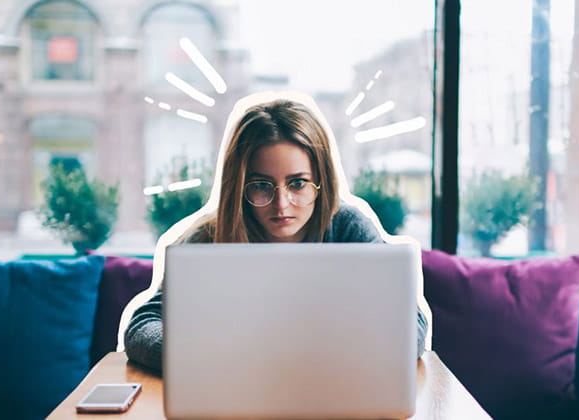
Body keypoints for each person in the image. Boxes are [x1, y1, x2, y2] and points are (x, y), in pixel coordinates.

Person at [125, 94, 429, 371]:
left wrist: (349, 354)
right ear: (239, 186)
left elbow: (411, 319)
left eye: (298, 183)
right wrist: (209, 356)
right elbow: (143, 325)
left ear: (321, 181)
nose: (282, 204)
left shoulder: (347, 227)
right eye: (261, 186)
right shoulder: (209, 239)